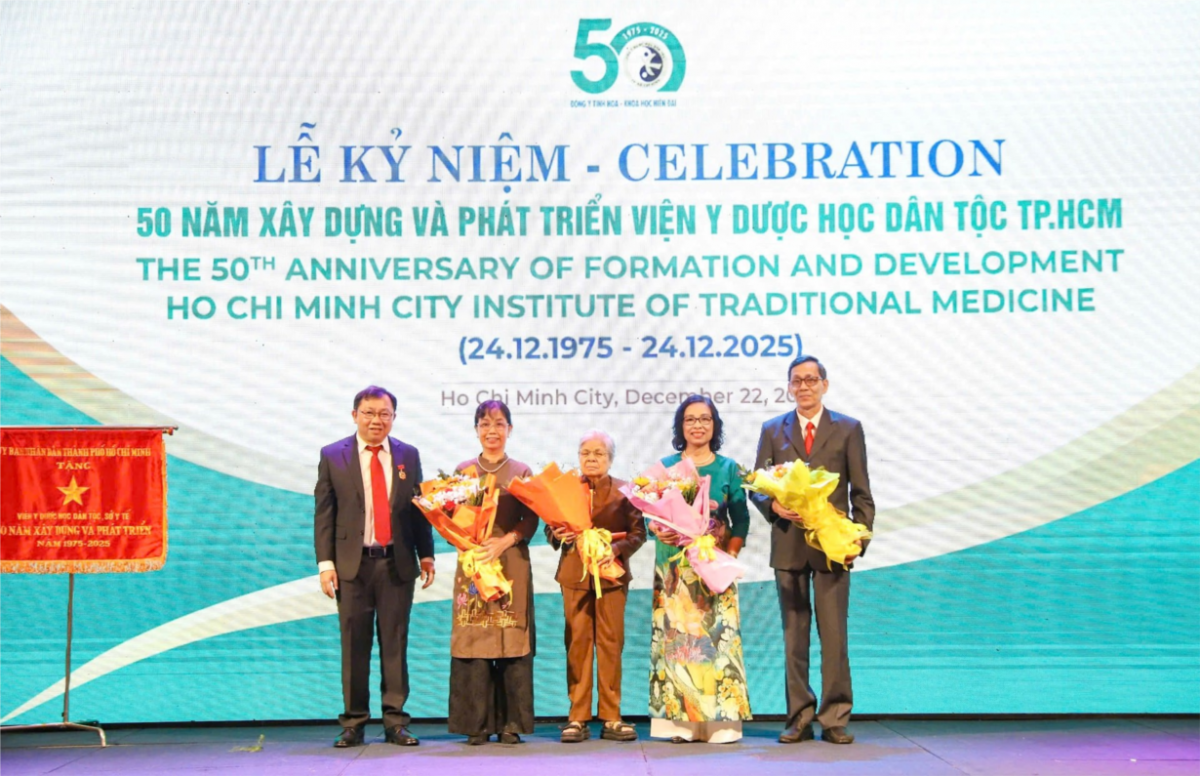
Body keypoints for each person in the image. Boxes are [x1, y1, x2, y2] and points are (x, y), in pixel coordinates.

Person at [750, 355, 875, 745]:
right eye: (796, 381)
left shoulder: (848, 428)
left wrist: (859, 540)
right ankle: (799, 717)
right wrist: (773, 505)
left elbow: (861, 493)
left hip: (832, 548)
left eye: (810, 379)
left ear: (824, 384)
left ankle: (835, 717)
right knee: (794, 638)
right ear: (789, 387)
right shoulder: (773, 430)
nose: (803, 386)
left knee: (834, 637)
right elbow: (756, 485)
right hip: (789, 545)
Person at [314, 386, 435, 748]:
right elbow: (324, 514)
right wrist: (325, 564)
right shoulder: (333, 455)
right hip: (352, 567)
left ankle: (395, 722)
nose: (376, 420)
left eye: (384, 414)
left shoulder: (408, 455)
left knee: (395, 645)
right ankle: (353, 722)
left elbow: (418, 510)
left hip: (397, 563)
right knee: (354, 646)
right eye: (369, 413)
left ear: (393, 418)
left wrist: (426, 554)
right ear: (355, 415)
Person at [649, 395, 752, 744]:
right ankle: (682, 725)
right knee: (680, 647)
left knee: (718, 646)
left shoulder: (728, 468)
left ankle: (720, 726)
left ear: (714, 425)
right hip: (674, 571)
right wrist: (656, 528)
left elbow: (741, 519)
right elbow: (649, 517)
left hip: (713, 570)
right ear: (681, 426)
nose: (698, 425)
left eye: (705, 419)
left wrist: (729, 555)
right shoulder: (664, 468)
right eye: (690, 419)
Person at [546, 431, 647, 743]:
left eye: (599, 453)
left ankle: (611, 716)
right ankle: (577, 717)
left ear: (610, 459)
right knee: (577, 643)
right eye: (585, 453)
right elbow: (551, 529)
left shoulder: (625, 491)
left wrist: (613, 550)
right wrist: (557, 535)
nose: (591, 458)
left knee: (610, 644)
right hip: (574, 575)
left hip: (611, 576)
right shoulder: (565, 490)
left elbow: (638, 534)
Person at [448, 400, 538, 745]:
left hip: (510, 561)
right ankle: (477, 723)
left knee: (511, 637)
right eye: (485, 424)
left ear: (509, 430)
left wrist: (505, 541)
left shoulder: (521, 471)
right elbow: (451, 518)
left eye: (499, 424)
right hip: (474, 564)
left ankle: (511, 723)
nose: (492, 431)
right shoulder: (463, 471)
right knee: (475, 638)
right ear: (476, 430)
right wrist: (467, 543)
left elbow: (531, 518)